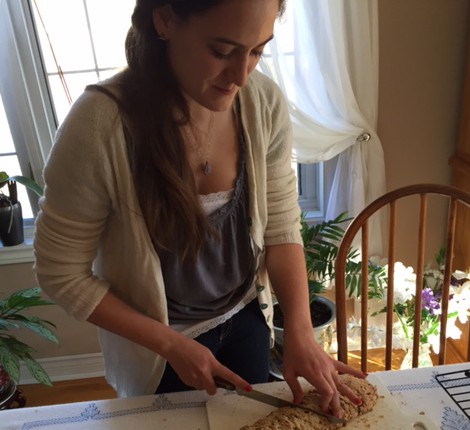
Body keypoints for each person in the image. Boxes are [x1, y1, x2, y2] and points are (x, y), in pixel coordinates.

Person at [34, 0, 364, 418]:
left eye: (257, 50)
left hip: (247, 320)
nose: (241, 76)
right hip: (159, 351)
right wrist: (171, 344)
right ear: (165, 20)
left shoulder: (262, 102)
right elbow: (60, 272)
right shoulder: (99, 125)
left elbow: (281, 226)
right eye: (222, 51)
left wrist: (300, 332)